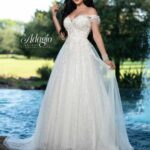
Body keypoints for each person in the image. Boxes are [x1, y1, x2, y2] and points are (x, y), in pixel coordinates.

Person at [3, 0, 134, 149]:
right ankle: (60, 138)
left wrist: (105, 58)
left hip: (84, 55)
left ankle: (87, 139)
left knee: (85, 93)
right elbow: (64, 37)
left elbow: (96, 35)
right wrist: (54, 17)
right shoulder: (69, 12)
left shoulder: (91, 11)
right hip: (66, 56)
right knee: (64, 95)